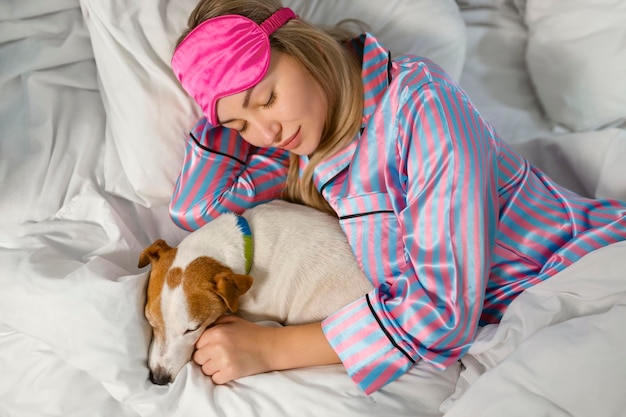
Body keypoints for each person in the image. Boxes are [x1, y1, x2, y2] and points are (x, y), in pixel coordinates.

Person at [168, 0, 626, 394]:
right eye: (241, 128)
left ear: (304, 47)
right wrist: (222, 103)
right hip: (510, 322)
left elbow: (442, 311)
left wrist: (272, 348)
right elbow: (198, 209)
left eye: (267, 99)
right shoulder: (297, 147)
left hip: (572, 276)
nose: (266, 133)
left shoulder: (420, 103)